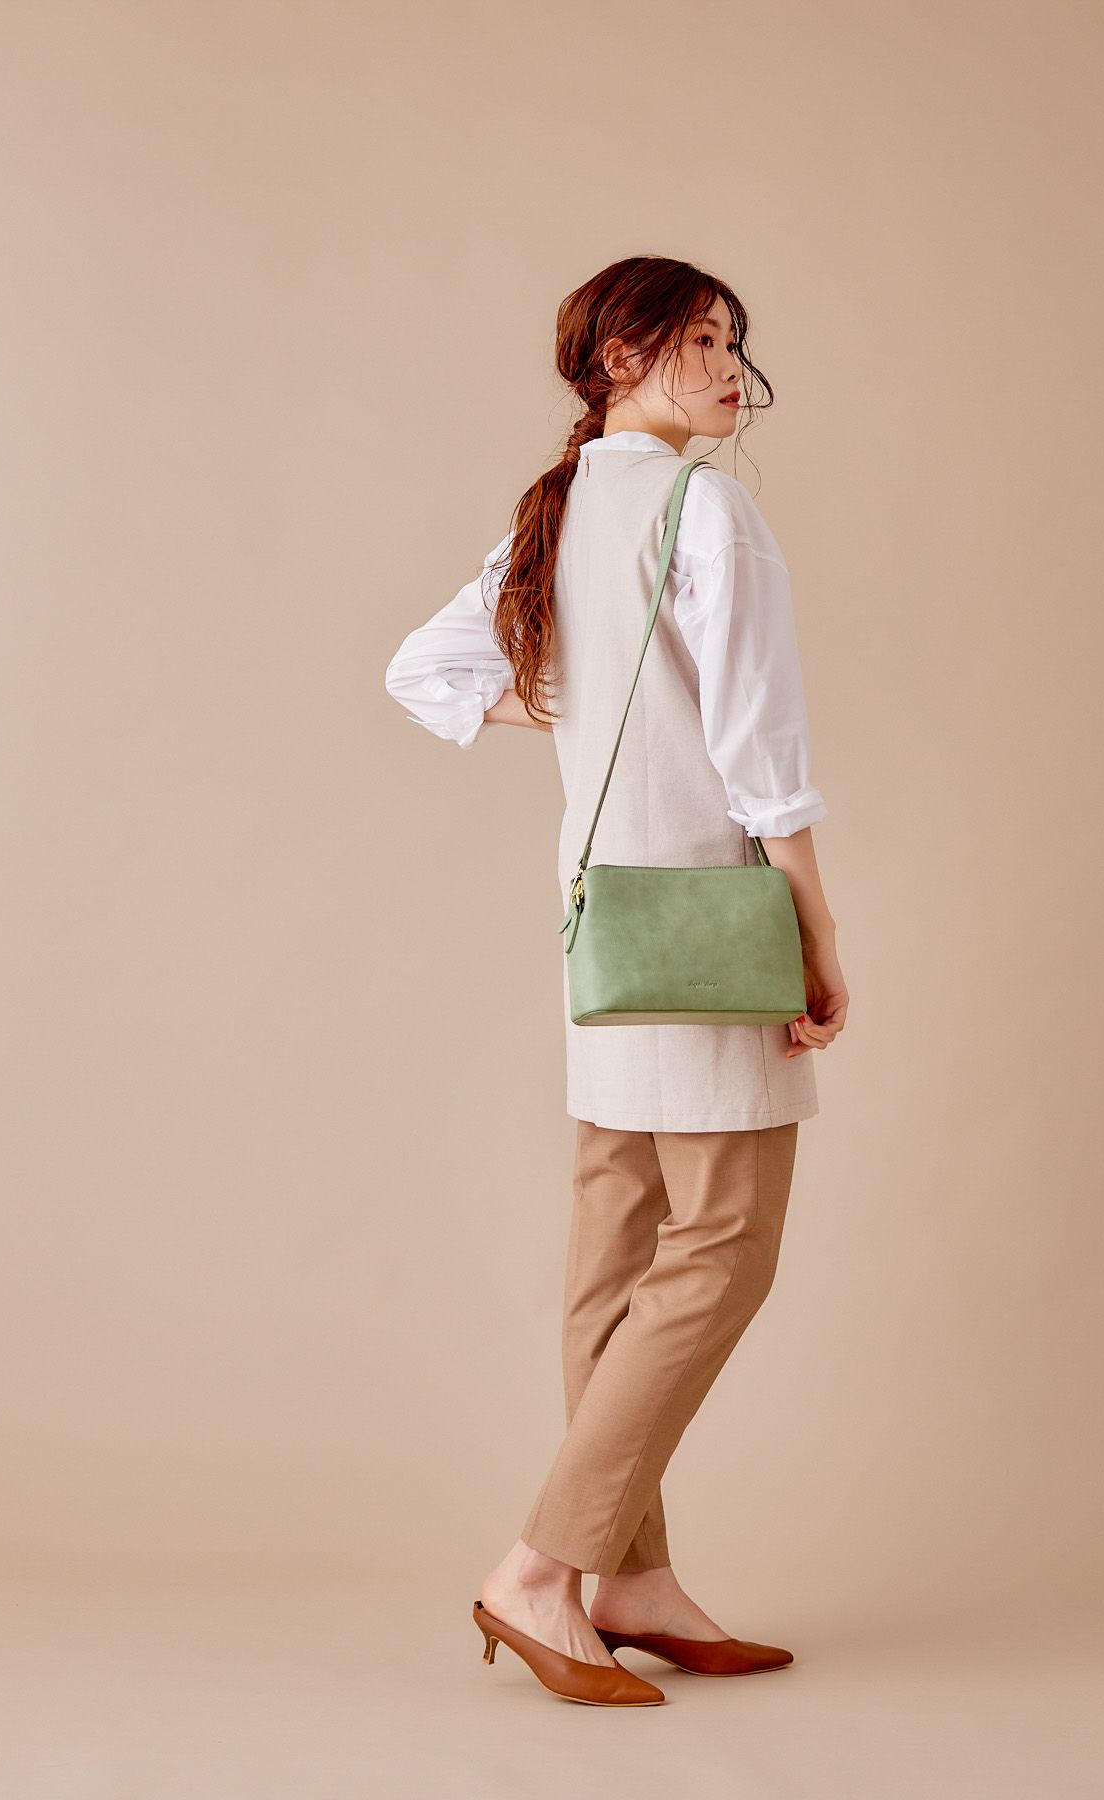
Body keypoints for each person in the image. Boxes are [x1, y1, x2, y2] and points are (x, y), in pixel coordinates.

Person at [384, 257, 849, 1706]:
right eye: (699, 339)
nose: (729, 368)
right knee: (723, 1250)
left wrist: (589, 716)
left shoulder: (559, 514)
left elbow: (426, 671)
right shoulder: (708, 511)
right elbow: (762, 749)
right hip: (710, 924)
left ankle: (631, 1580)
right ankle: (540, 1570)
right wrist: (816, 928)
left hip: (606, 941)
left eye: (733, 342)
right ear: (622, 355)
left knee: (615, 1264)